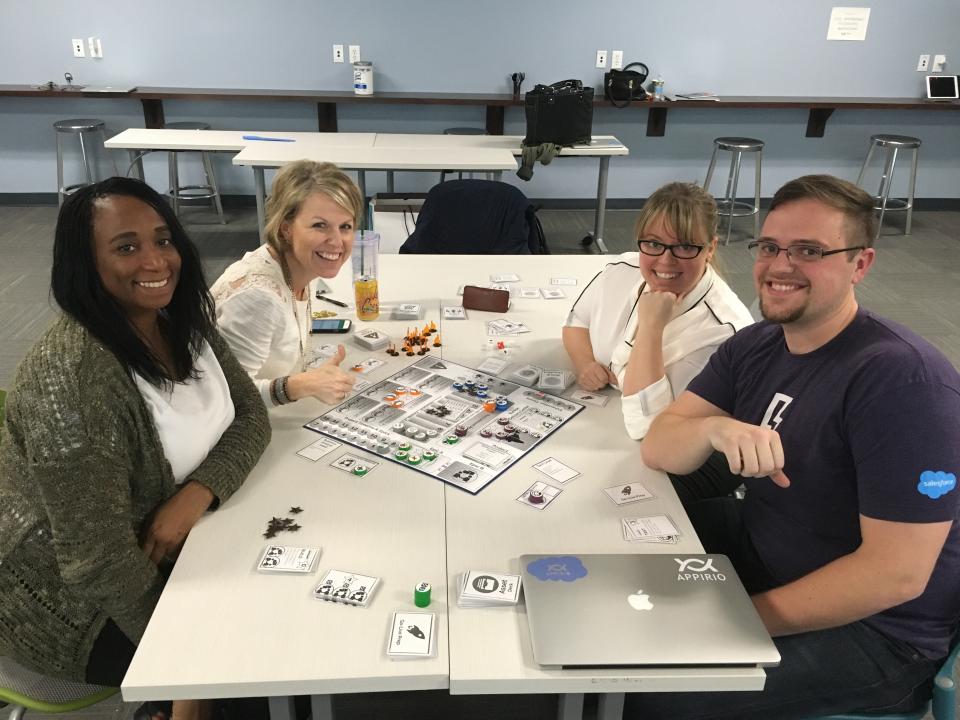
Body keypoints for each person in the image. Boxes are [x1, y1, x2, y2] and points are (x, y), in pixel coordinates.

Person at [637, 175, 960, 719]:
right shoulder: (757, 344)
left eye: (809, 251)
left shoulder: (903, 383)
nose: (780, 266)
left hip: (876, 634)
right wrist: (714, 430)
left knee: (646, 696)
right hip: (769, 548)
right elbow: (661, 445)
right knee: (614, 561)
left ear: (860, 264)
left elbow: (895, 575)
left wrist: (737, 620)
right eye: (769, 247)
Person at [0, 178, 270, 711]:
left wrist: (193, 496)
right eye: (126, 247)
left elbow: (251, 417)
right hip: (78, 606)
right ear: (86, 263)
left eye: (163, 239)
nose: (155, 261)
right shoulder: (77, 380)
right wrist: (181, 660)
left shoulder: (179, 317)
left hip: (183, 540)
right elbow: (96, 563)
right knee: (254, 657)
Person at [562, 182, 753, 439]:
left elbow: (647, 426)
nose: (665, 260)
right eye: (653, 244)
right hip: (599, 420)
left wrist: (651, 326)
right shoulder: (621, 270)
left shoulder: (725, 333)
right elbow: (577, 322)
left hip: (654, 454)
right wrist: (584, 363)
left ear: (710, 249)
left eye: (685, 247)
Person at [211, 160, 363, 407]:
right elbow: (227, 398)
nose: (337, 241)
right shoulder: (259, 298)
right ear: (286, 229)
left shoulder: (299, 266)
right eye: (319, 225)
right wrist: (303, 385)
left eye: (345, 226)